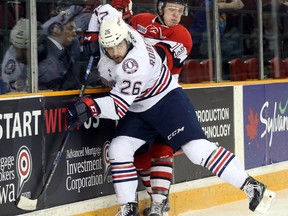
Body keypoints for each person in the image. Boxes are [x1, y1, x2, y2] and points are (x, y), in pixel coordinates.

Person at [66, 4, 275, 216]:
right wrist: (92, 35)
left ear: (127, 39)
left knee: (196, 150)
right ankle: (128, 208)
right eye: (108, 48)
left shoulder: (134, 65)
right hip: (139, 106)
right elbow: (104, 9)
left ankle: (252, 186)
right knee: (119, 149)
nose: (114, 53)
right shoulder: (116, 29)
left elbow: (118, 108)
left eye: (117, 47)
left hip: (166, 101)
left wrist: (90, 106)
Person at [112, 0, 192, 215]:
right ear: (160, 8)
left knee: (161, 149)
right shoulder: (140, 21)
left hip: (164, 99)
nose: (176, 15)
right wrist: (120, 16)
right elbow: (117, 39)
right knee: (138, 155)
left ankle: (158, 204)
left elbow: (156, 60)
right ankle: (159, 199)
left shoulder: (182, 35)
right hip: (135, 100)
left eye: (180, 11)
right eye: (172, 10)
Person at [39, 11, 82, 90]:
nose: (74, 34)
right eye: (70, 28)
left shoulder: (63, 51)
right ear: (55, 30)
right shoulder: (46, 56)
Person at [1, 18, 46, 93]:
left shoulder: (44, 46)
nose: (19, 54)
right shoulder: (13, 69)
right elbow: (19, 99)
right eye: (16, 48)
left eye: (24, 49)